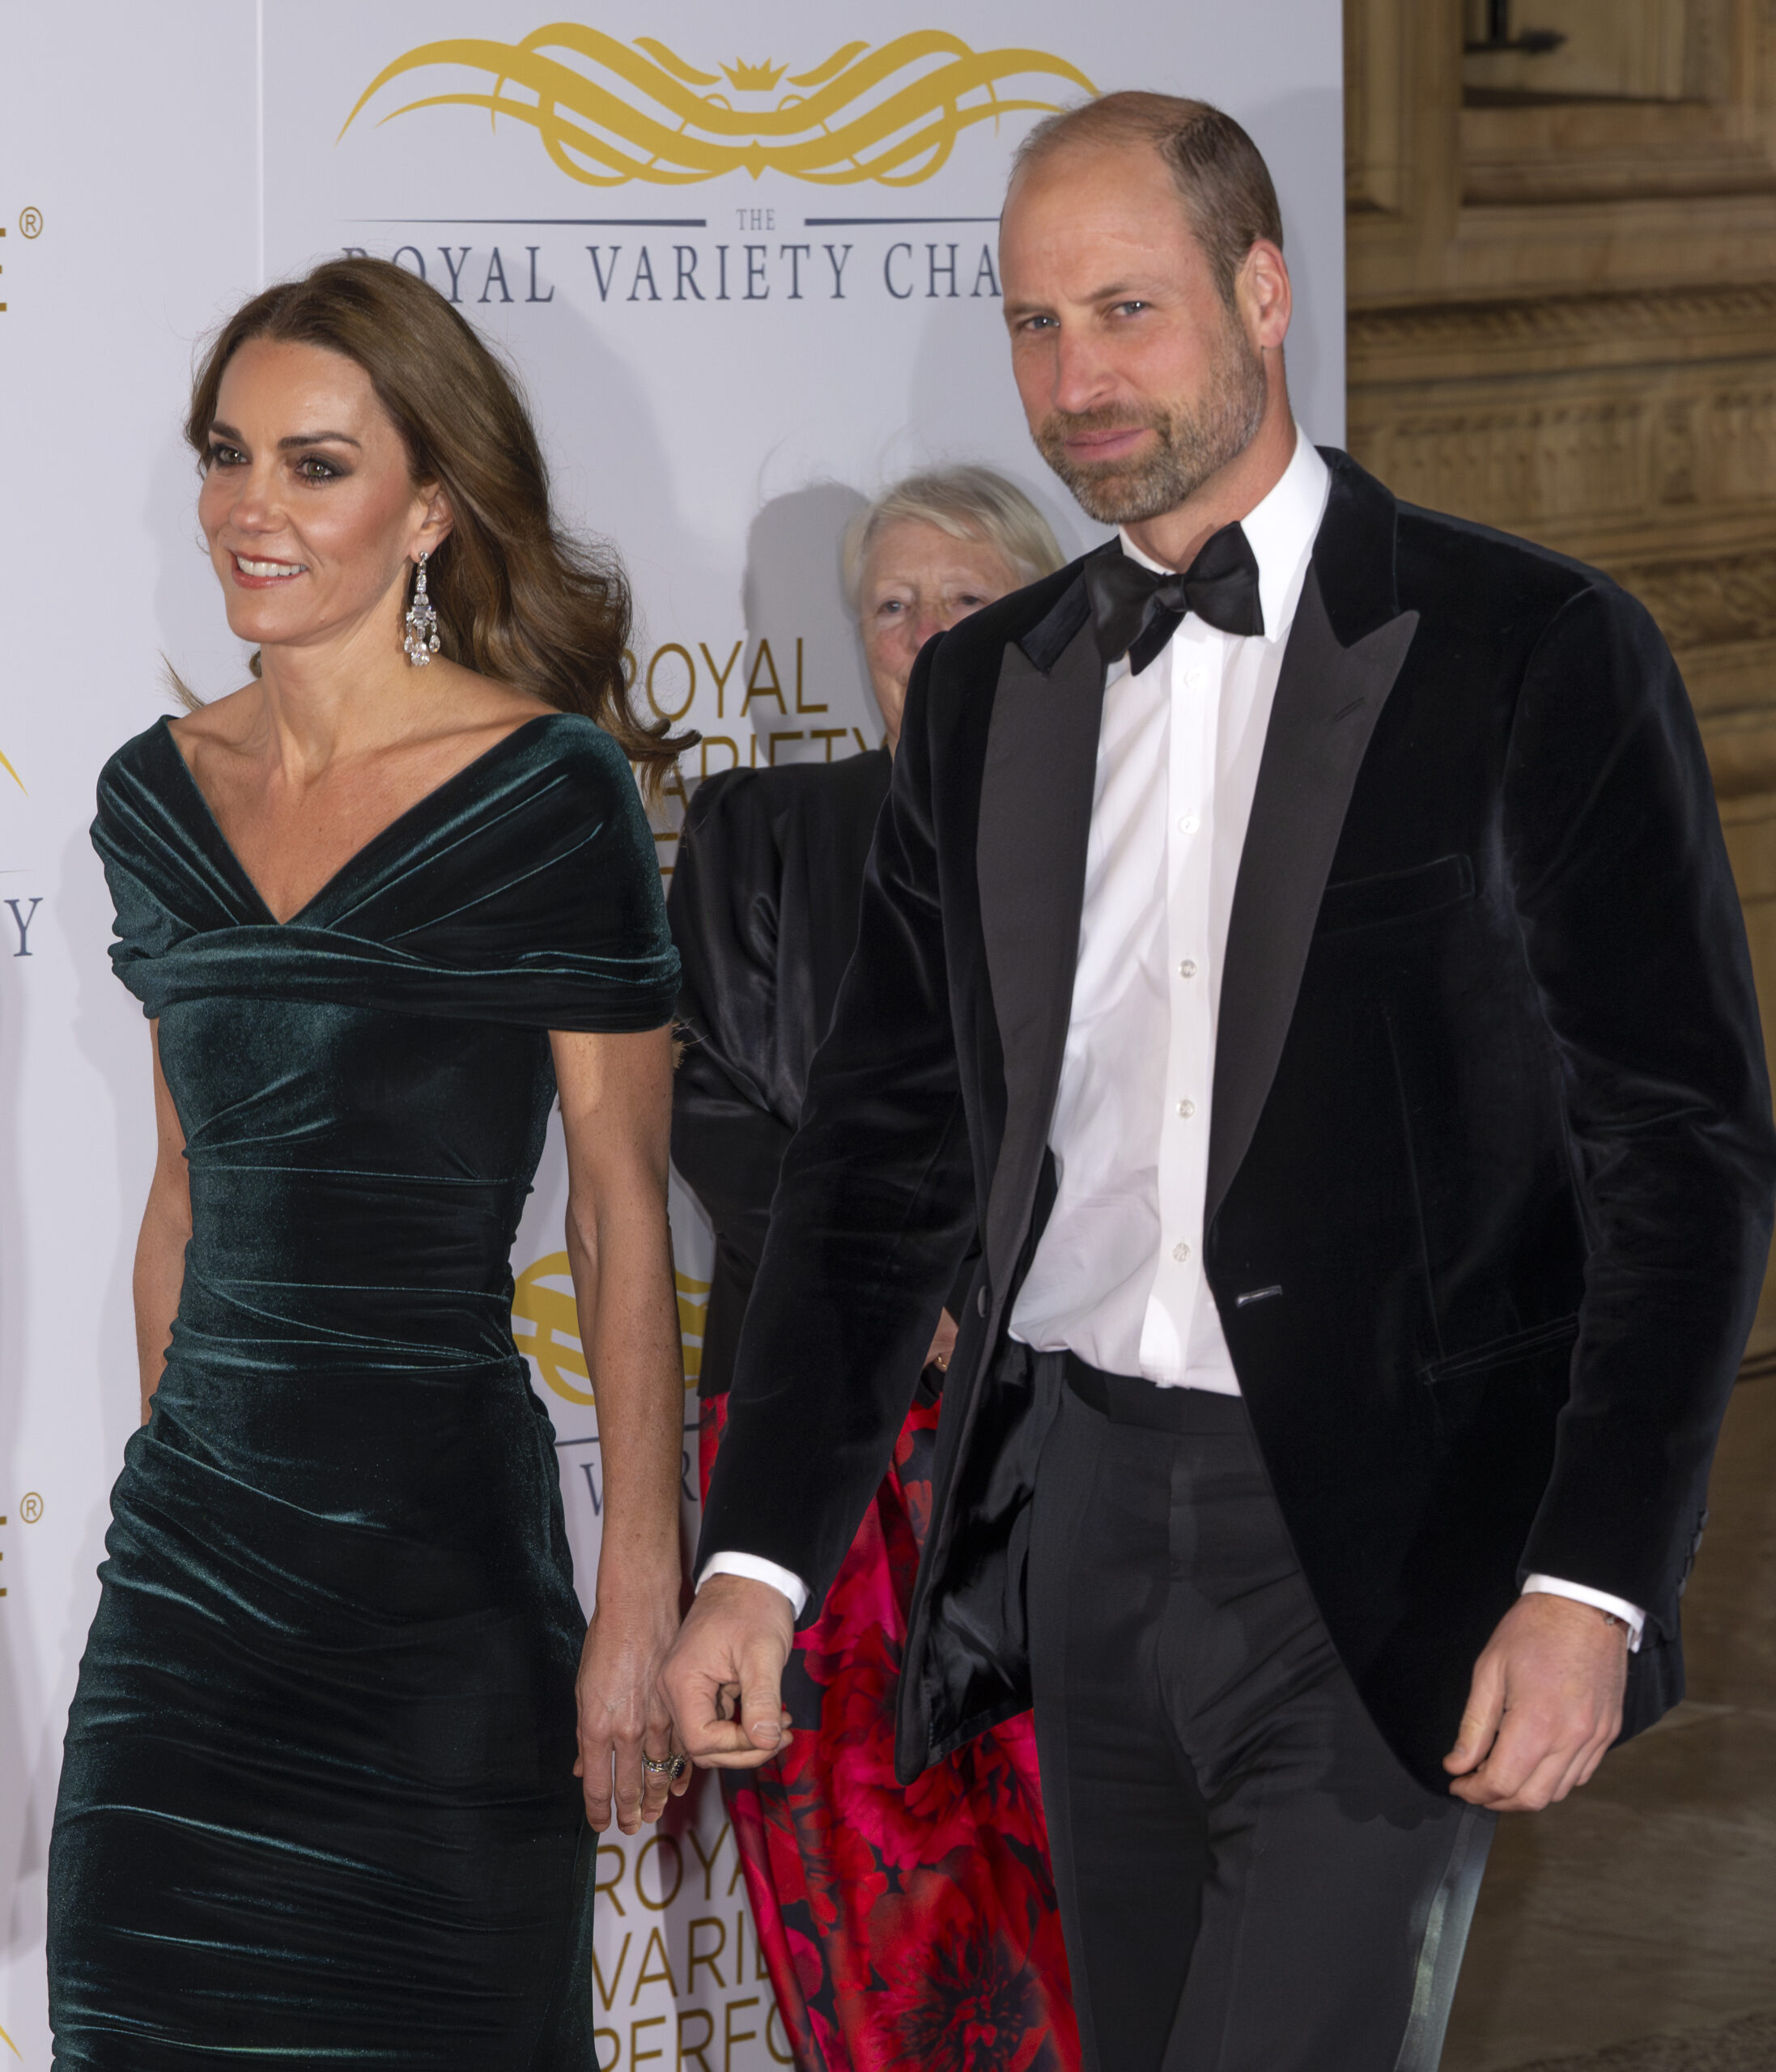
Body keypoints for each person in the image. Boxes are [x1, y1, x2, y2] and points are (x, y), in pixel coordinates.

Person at [664, 93, 1776, 2072]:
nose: (1073, 382)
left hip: (1380, 1529)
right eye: (1031, 326)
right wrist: (759, 1553)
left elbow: (1677, 1161)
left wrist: (1589, 1573)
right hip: (1078, 1519)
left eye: (1124, 312)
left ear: (1262, 295)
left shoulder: (1531, 648)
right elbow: (879, 1158)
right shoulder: (992, 694)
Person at [49, 256, 693, 2069]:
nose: (252, 507)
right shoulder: (149, 796)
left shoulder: (549, 787)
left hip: (439, 1595)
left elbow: (623, 1205)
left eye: (316, 465)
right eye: (228, 453)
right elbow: (186, 1195)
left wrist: (633, 1594)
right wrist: (178, 1491)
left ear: (429, 509)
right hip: (188, 1606)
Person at [669, 469, 1079, 2071]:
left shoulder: (1118, 839)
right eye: (891, 604)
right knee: (860, 1909)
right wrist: (894, 1299)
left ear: (1042, 621)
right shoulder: (758, 834)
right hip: (813, 1451)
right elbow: (708, 1105)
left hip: (1046, 1430)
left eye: (961, 600)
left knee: (1071, 1882)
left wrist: (987, 1300)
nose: (919, 633)